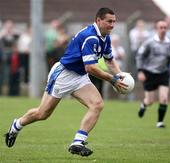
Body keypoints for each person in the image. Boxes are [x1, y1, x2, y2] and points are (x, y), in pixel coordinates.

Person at [5, 8, 127, 157]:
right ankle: (16, 125)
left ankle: (77, 142)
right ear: (98, 21)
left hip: (79, 76)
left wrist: (120, 75)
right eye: (109, 21)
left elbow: (109, 60)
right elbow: (91, 68)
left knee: (97, 104)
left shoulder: (105, 37)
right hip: (64, 75)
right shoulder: (91, 37)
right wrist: (112, 80)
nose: (112, 25)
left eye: (114, 21)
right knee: (42, 113)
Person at [136, 20, 170, 128]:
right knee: (150, 101)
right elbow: (140, 56)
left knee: (164, 98)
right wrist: (140, 71)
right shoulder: (149, 42)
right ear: (156, 29)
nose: (163, 30)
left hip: (163, 73)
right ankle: (144, 105)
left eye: (165, 28)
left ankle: (159, 122)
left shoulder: (169, 43)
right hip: (149, 73)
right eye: (161, 27)